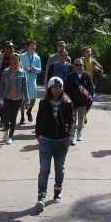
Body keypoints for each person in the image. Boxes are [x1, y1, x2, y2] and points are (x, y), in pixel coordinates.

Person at [34, 76, 75, 211]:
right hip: (46, 140)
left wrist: (70, 137)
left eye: (60, 87)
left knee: (59, 168)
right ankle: (41, 196)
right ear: (50, 88)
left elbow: (72, 121)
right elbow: (39, 118)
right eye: (55, 87)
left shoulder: (67, 103)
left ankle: (57, 190)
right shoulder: (44, 102)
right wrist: (38, 134)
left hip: (61, 142)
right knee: (44, 169)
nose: (58, 89)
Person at [0, 52, 27, 144]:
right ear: (10, 61)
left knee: (13, 117)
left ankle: (10, 136)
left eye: (16, 59)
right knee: (6, 116)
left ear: (19, 61)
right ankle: (6, 130)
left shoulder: (22, 72)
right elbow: (1, 84)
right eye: (13, 59)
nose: (14, 61)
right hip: (7, 97)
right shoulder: (6, 71)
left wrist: (27, 99)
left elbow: (25, 87)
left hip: (18, 98)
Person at [63, 58, 94, 143]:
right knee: (73, 119)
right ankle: (72, 135)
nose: (79, 66)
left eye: (81, 65)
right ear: (74, 66)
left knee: (80, 118)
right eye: (77, 65)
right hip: (72, 102)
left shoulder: (86, 76)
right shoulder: (70, 76)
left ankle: (79, 132)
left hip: (83, 102)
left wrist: (90, 101)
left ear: (83, 66)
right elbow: (65, 89)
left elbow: (91, 89)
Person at [19, 39, 41, 124]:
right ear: (27, 46)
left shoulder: (37, 57)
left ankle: (29, 111)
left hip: (32, 79)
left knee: (34, 97)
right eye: (31, 45)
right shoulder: (22, 56)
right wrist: (24, 69)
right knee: (23, 99)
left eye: (34, 45)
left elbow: (39, 69)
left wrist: (34, 68)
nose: (33, 46)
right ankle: (22, 116)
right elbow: (18, 67)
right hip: (23, 79)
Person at [80, 46, 102, 126]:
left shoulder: (93, 62)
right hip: (82, 86)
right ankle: (81, 118)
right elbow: (74, 69)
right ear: (83, 53)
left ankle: (84, 114)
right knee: (82, 103)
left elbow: (101, 70)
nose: (89, 53)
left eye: (89, 52)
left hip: (91, 86)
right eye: (87, 52)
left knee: (90, 102)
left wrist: (98, 70)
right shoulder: (80, 61)